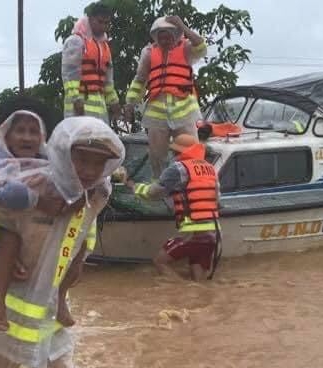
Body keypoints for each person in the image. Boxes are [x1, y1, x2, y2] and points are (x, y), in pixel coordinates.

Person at [0, 117, 124, 368]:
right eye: (82, 160)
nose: (90, 170)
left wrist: (81, 257)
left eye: (99, 163)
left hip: (50, 307)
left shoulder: (98, 193)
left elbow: (86, 228)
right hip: (10, 306)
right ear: (62, 154)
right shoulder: (30, 186)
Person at [0, 109, 80, 332]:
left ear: (43, 138)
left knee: (79, 247)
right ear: (6, 136)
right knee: (10, 241)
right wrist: (36, 199)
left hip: (42, 230)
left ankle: (61, 300)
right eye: (20, 131)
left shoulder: (49, 161)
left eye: (33, 131)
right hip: (6, 220)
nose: (27, 137)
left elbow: (71, 183)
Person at [127, 128, 220, 281]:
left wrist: (133, 186)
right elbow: (216, 198)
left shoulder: (178, 169)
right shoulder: (210, 169)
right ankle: (198, 296)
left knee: (160, 261)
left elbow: (153, 193)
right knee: (199, 278)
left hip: (192, 234)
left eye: (174, 152)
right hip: (213, 235)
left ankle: (182, 293)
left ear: (178, 153)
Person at [124, 15, 209, 183]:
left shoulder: (186, 48)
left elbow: (202, 47)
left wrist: (182, 25)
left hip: (184, 111)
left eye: (168, 35)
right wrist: (130, 103)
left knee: (191, 152)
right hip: (157, 114)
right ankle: (160, 189)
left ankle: (194, 185)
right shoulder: (148, 53)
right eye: (160, 36)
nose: (164, 39)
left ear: (176, 34)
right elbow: (140, 80)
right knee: (157, 156)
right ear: (155, 37)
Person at [61, 2, 121, 124]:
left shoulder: (105, 47)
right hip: (78, 108)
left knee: (100, 142)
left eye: (106, 23)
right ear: (90, 19)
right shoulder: (76, 41)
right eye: (100, 22)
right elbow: (69, 75)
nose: (103, 26)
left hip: (100, 110)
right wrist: (76, 99)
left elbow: (108, 81)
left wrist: (114, 102)